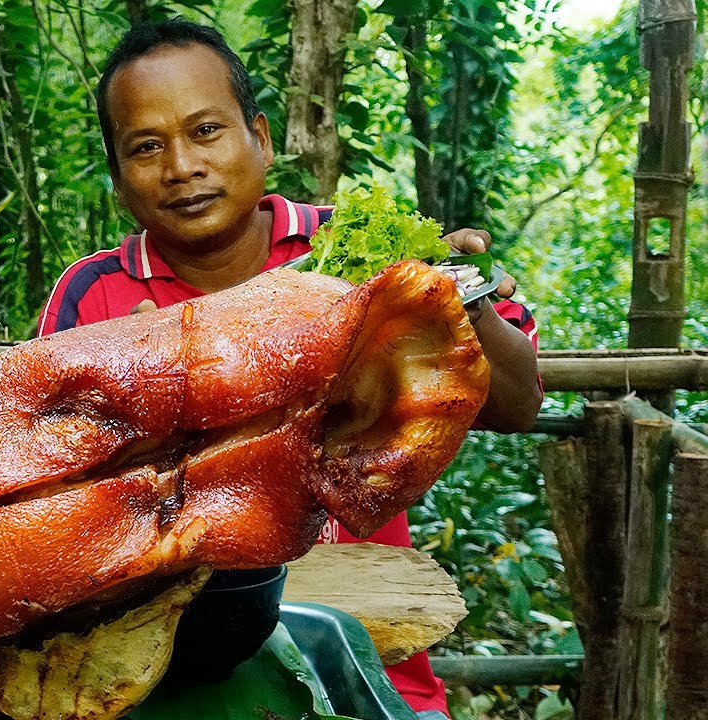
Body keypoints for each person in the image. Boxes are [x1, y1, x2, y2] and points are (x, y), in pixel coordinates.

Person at [38, 19, 542, 715]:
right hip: (162, 669)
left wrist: (457, 299)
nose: (181, 165)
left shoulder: (357, 255)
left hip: (368, 647)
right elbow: (51, 492)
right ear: (120, 179)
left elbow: (517, 407)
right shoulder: (95, 295)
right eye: (146, 146)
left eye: (206, 131)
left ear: (262, 139)